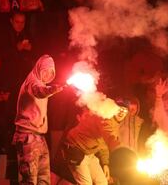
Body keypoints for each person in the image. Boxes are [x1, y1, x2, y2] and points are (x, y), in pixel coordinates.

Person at [12, 54, 64, 184]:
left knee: (44, 179)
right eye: (45, 71)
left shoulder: (42, 83)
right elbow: (39, 91)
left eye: (51, 72)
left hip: (39, 137)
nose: (47, 75)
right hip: (27, 137)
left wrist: (52, 89)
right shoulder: (32, 82)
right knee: (29, 180)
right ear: (39, 69)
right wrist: (53, 89)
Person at [60, 106, 129, 185]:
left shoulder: (115, 123)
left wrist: (105, 163)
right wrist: (120, 151)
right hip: (75, 149)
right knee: (86, 183)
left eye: (125, 110)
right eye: (120, 109)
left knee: (102, 182)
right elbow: (110, 136)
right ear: (113, 107)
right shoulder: (105, 117)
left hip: (89, 153)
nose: (122, 112)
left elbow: (103, 144)